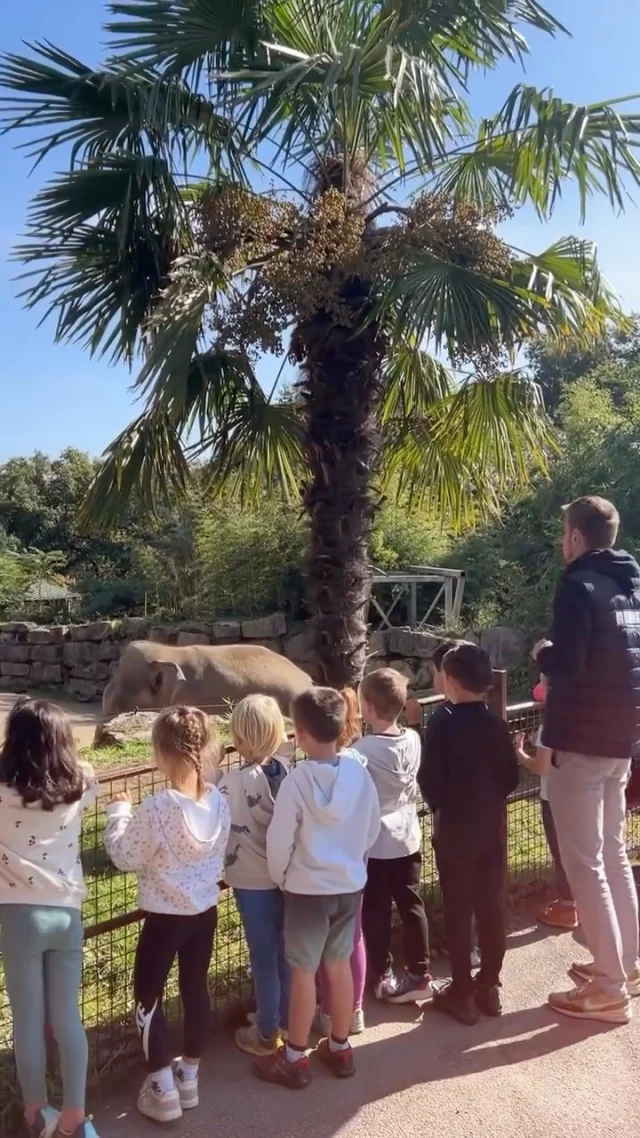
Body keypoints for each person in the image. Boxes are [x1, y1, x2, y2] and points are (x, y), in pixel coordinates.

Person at [533, 496, 640, 1023]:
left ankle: (608, 987)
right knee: (613, 853)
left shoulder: (576, 586)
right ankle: (627, 964)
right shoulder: (632, 582)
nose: (561, 543)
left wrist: (542, 653)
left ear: (576, 537)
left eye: (562, 534)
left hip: (580, 741)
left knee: (587, 862)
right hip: (623, 737)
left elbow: (568, 665)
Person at [104, 707, 230, 1123]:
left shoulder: (158, 807)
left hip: (163, 919)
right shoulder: (218, 800)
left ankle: (161, 1086)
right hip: (204, 912)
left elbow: (125, 856)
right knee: (195, 990)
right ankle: (188, 1076)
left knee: (149, 999)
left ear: (160, 751)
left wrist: (118, 815)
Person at [254, 687, 381, 1090]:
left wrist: (282, 875)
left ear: (301, 732)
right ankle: (340, 1046)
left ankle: (293, 1056)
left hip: (306, 890)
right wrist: (351, 860)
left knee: (303, 972)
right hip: (347, 886)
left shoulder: (297, 781)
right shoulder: (360, 774)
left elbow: (280, 840)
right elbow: (372, 827)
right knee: (338, 965)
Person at [0, 697, 100, 1138]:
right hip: (66, 913)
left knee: (27, 1019)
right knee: (66, 1018)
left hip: (19, 915)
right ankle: (77, 1115)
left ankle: (36, 1110)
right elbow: (83, 777)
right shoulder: (81, 783)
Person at [419, 644, 519, 1025]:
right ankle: (489, 983)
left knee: (458, 908)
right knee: (491, 905)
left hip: (455, 829)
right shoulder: (495, 720)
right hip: (490, 827)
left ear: (451, 681)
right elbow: (510, 776)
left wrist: (443, 805)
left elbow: (429, 778)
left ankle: (460, 990)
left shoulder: (442, 722)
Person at [217, 695, 291, 1058]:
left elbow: (214, 802)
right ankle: (284, 1016)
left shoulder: (235, 780)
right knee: (285, 953)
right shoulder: (287, 771)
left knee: (262, 958)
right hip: (287, 878)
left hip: (251, 881)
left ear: (241, 739)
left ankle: (265, 1032)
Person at [353, 668, 431, 1003]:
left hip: (376, 843)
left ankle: (382, 973)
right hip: (408, 836)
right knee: (412, 904)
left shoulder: (362, 751)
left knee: (377, 910)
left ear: (367, 707)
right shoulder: (412, 739)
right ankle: (420, 971)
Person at [315, 687, 368, 1036]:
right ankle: (356, 1010)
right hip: (355, 865)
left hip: (321, 872)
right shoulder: (360, 763)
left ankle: (329, 1010)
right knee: (353, 936)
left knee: (322, 944)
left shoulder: (313, 772)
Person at [514, 677, 578, 931]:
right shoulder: (582, 717)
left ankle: (567, 906)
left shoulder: (549, 726)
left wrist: (520, 752)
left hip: (554, 798)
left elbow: (541, 767)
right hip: (580, 794)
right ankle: (582, 902)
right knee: (578, 851)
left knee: (560, 853)